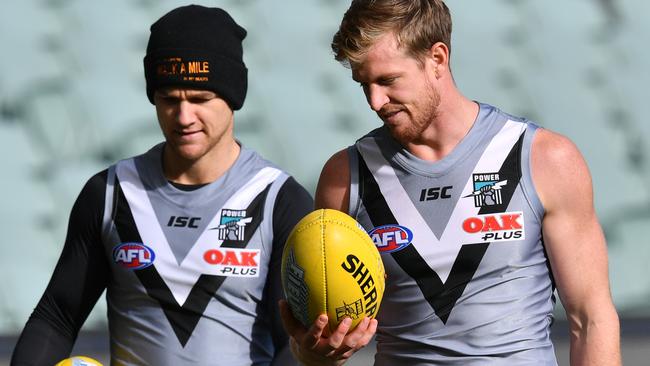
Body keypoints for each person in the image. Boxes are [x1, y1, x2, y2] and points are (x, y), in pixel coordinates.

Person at [280, 0, 621, 365]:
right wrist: (317, 352)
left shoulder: (544, 158)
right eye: (364, 84)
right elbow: (318, 347)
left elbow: (591, 319)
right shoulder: (346, 176)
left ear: (438, 58)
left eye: (388, 80)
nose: (376, 101)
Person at [12, 5, 311, 365]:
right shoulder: (110, 193)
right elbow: (56, 317)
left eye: (200, 99)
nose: (183, 117)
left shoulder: (279, 200)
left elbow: (294, 344)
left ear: (232, 98)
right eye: (169, 100)